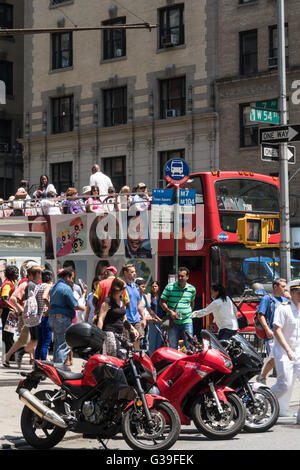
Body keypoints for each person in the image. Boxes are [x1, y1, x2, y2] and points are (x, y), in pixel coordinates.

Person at [271, 279, 300, 423]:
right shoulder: (283, 308)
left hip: (299, 351)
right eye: (298, 293)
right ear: (292, 293)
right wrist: (288, 350)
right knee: (285, 384)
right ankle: (262, 396)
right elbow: (277, 330)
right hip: (284, 351)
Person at [3, 263, 38, 368]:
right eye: (38, 274)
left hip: (30, 316)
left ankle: (32, 359)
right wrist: (20, 309)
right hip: (23, 316)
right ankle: (7, 356)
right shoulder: (23, 285)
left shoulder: (32, 284)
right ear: (31, 274)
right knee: (23, 340)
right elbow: (11, 298)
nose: (40, 276)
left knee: (33, 338)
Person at [48, 267, 85, 366]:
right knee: (63, 344)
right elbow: (74, 304)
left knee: (57, 343)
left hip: (53, 317)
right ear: (67, 277)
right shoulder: (65, 287)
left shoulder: (55, 287)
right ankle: (59, 367)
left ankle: (56, 365)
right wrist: (83, 308)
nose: (72, 281)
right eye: (72, 278)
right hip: (62, 319)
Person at [256, 278, 288, 384]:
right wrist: (267, 329)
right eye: (283, 286)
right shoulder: (267, 298)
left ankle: (265, 377)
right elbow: (261, 315)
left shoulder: (285, 300)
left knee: (280, 360)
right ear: (275, 286)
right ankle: (263, 377)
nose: (285, 289)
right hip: (272, 335)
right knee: (275, 359)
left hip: (284, 335)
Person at [97, 277, 138, 356]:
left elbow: (124, 319)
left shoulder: (122, 300)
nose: (125, 290)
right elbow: (101, 319)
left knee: (125, 355)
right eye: (124, 288)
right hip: (109, 332)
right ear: (117, 289)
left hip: (120, 334)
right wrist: (99, 335)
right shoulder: (108, 301)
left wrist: (133, 329)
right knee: (116, 355)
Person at [160, 267, 196, 350]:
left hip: (187, 322)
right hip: (173, 322)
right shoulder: (169, 287)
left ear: (187, 277)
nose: (180, 278)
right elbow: (162, 302)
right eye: (178, 276)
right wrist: (170, 311)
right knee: (173, 347)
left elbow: (192, 303)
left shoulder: (192, 289)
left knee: (190, 347)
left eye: (182, 276)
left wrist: (187, 313)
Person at [122, 263, 146, 349]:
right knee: (127, 344)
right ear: (125, 273)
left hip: (136, 319)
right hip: (126, 320)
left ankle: (136, 361)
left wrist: (143, 318)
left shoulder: (136, 286)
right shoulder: (122, 286)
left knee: (137, 342)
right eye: (132, 272)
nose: (134, 273)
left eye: (135, 271)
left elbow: (139, 304)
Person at [135, 278, 162, 352]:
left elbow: (149, 310)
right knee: (140, 343)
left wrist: (158, 319)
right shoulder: (136, 297)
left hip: (147, 322)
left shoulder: (144, 297)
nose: (144, 288)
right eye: (142, 287)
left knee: (146, 341)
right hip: (137, 323)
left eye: (144, 287)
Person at [1, 265, 19, 366]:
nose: (17, 274)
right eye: (16, 273)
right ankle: (8, 357)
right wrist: (15, 308)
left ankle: (11, 356)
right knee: (7, 336)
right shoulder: (7, 284)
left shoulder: (12, 282)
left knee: (10, 334)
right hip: (7, 312)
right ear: (11, 274)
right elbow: (4, 298)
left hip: (10, 312)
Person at [34, 270, 54, 361]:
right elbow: (45, 298)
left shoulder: (37, 286)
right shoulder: (48, 286)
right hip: (46, 316)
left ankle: (37, 363)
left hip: (38, 317)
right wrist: (50, 308)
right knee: (46, 343)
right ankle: (43, 364)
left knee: (40, 343)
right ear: (50, 277)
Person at [147, 281, 164, 354]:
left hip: (161, 321)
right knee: (152, 342)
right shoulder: (149, 295)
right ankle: (151, 358)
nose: (154, 288)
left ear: (159, 287)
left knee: (159, 341)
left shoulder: (161, 296)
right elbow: (148, 306)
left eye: (155, 286)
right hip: (153, 321)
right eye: (152, 286)